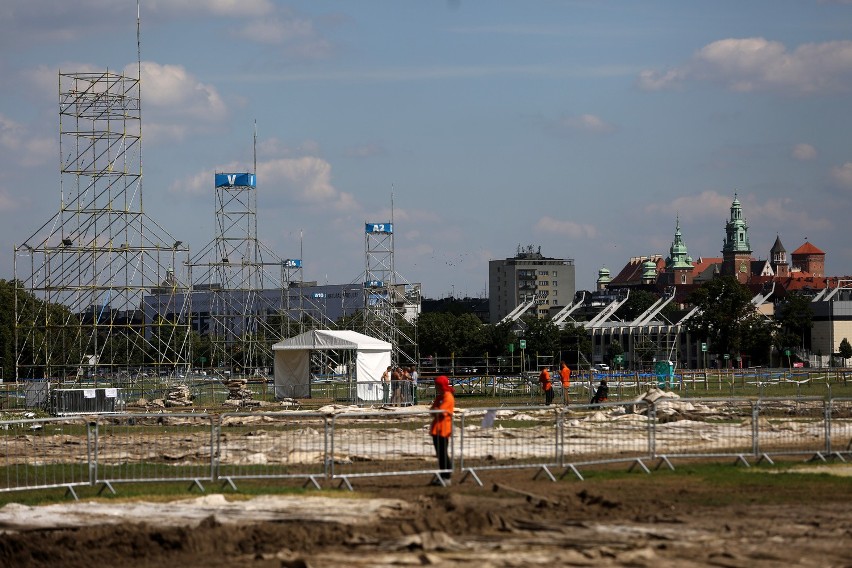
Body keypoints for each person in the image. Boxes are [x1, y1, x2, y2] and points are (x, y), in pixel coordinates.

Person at [429, 375, 455, 486]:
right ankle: (442, 475)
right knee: (439, 454)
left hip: (444, 429)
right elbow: (432, 411)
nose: (436, 387)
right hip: (436, 428)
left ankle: (447, 476)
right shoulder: (439, 397)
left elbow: (440, 411)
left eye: (437, 385)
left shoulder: (448, 397)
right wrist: (436, 410)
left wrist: (437, 410)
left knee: (443, 453)